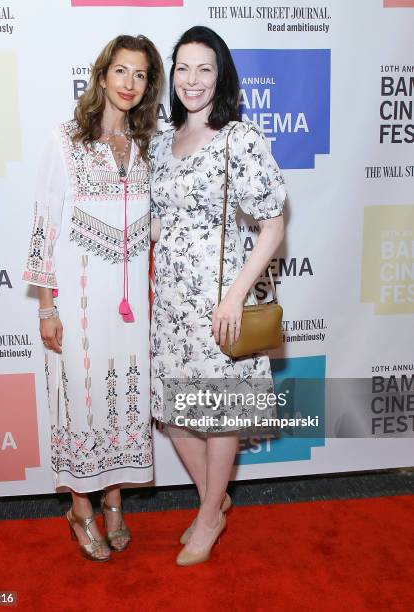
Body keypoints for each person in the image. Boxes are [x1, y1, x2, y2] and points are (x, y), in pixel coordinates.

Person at [23, 35, 163, 561]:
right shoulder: (65, 140)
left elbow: (153, 227)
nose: (129, 83)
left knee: (121, 401)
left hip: (130, 310)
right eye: (121, 71)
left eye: (141, 75)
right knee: (82, 402)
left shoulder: (148, 148)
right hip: (79, 305)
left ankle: (114, 503)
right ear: (102, 75)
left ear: (149, 85)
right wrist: (47, 306)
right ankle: (80, 509)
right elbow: (44, 226)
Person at [149, 26, 286, 566]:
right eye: (183, 68)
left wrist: (234, 297)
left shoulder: (240, 139)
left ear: (221, 75)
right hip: (170, 306)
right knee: (177, 415)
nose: (192, 80)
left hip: (219, 303)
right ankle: (216, 498)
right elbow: (162, 223)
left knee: (219, 412)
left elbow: (272, 226)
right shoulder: (162, 142)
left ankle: (208, 517)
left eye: (204, 68)